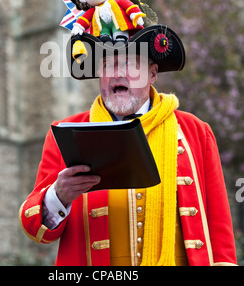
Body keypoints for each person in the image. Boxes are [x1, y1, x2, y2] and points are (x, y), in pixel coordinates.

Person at [19, 25, 237, 266]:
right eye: (108, 65)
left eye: (130, 64)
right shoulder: (66, 133)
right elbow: (34, 229)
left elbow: (219, 231)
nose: (118, 74)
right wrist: (59, 196)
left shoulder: (195, 132)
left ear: (153, 73)